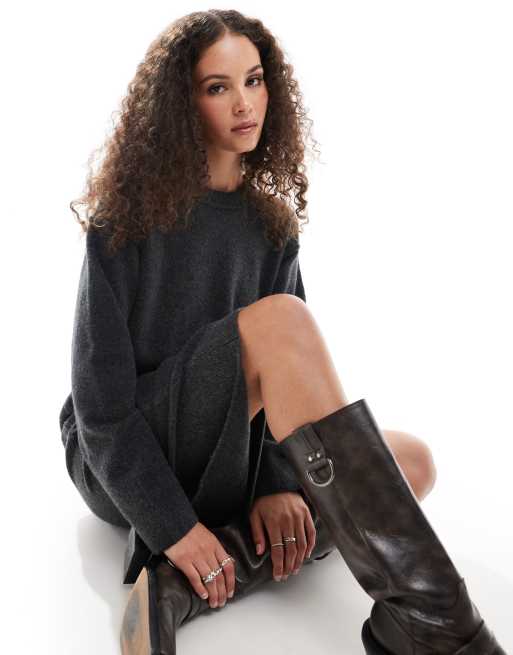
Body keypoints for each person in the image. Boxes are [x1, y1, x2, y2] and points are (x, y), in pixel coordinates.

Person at [59, 9, 505, 654]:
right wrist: (174, 527)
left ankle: (185, 585)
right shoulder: (123, 221)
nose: (244, 104)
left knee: (411, 463)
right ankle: (441, 626)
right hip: (128, 459)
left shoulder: (271, 227)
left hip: (225, 452)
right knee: (283, 321)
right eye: (218, 87)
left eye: (254, 80)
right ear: (182, 104)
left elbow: (286, 386)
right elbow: (101, 413)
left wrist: (273, 484)